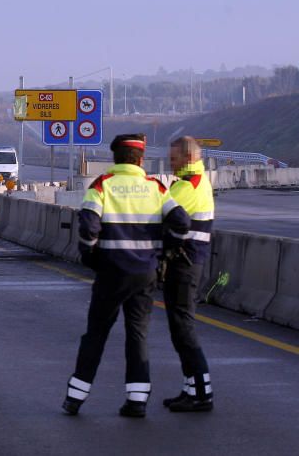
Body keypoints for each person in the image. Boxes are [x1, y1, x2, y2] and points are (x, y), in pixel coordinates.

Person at [62, 133, 190, 418]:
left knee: (96, 334)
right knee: (138, 334)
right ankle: (137, 401)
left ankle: (75, 397)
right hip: (145, 273)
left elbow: (88, 228)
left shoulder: (103, 185)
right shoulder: (156, 187)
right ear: (140, 159)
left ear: (115, 158)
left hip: (110, 273)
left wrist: (90, 257)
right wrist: (165, 253)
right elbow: (182, 222)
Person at [161, 136, 215, 412]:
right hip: (187, 262)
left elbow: (161, 213)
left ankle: (202, 393)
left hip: (185, 264)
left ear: (189, 158)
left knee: (183, 327)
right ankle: (190, 389)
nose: (171, 164)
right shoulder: (195, 180)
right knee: (179, 327)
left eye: (174, 159)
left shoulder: (187, 186)